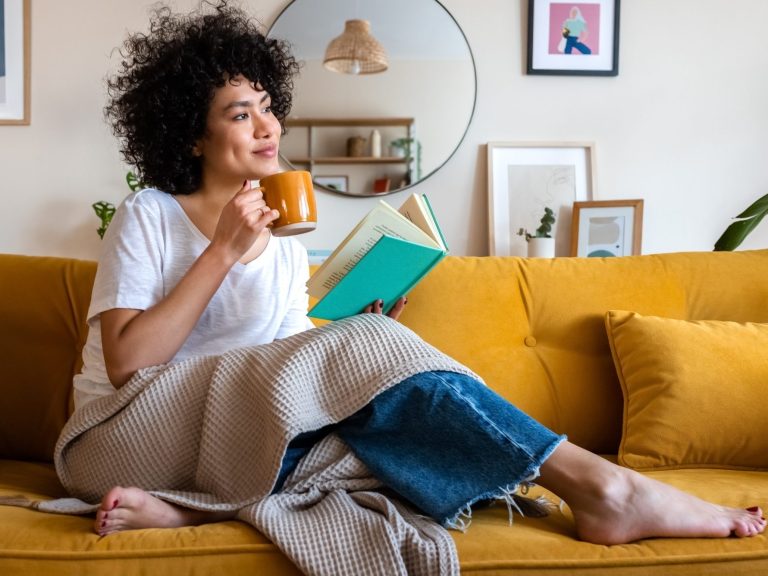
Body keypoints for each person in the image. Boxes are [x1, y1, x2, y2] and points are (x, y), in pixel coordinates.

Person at [75, 1, 765, 545]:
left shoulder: (283, 243)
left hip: (228, 440)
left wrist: (354, 337)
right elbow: (129, 364)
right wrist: (221, 251)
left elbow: (278, 373)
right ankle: (608, 488)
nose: (267, 126)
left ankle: (194, 511)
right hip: (121, 436)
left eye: (267, 105)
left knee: (381, 430)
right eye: (239, 113)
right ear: (191, 136)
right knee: (373, 409)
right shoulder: (151, 214)